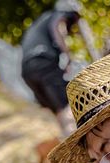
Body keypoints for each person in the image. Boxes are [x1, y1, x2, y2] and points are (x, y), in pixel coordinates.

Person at [20, 0, 82, 136]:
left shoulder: (41, 21)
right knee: (66, 105)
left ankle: (68, 143)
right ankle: (77, 143)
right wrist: (67, 54)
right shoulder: (57, 16)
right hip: (43, 63)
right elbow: (57, 28)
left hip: (27, 71)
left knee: (58, 109)